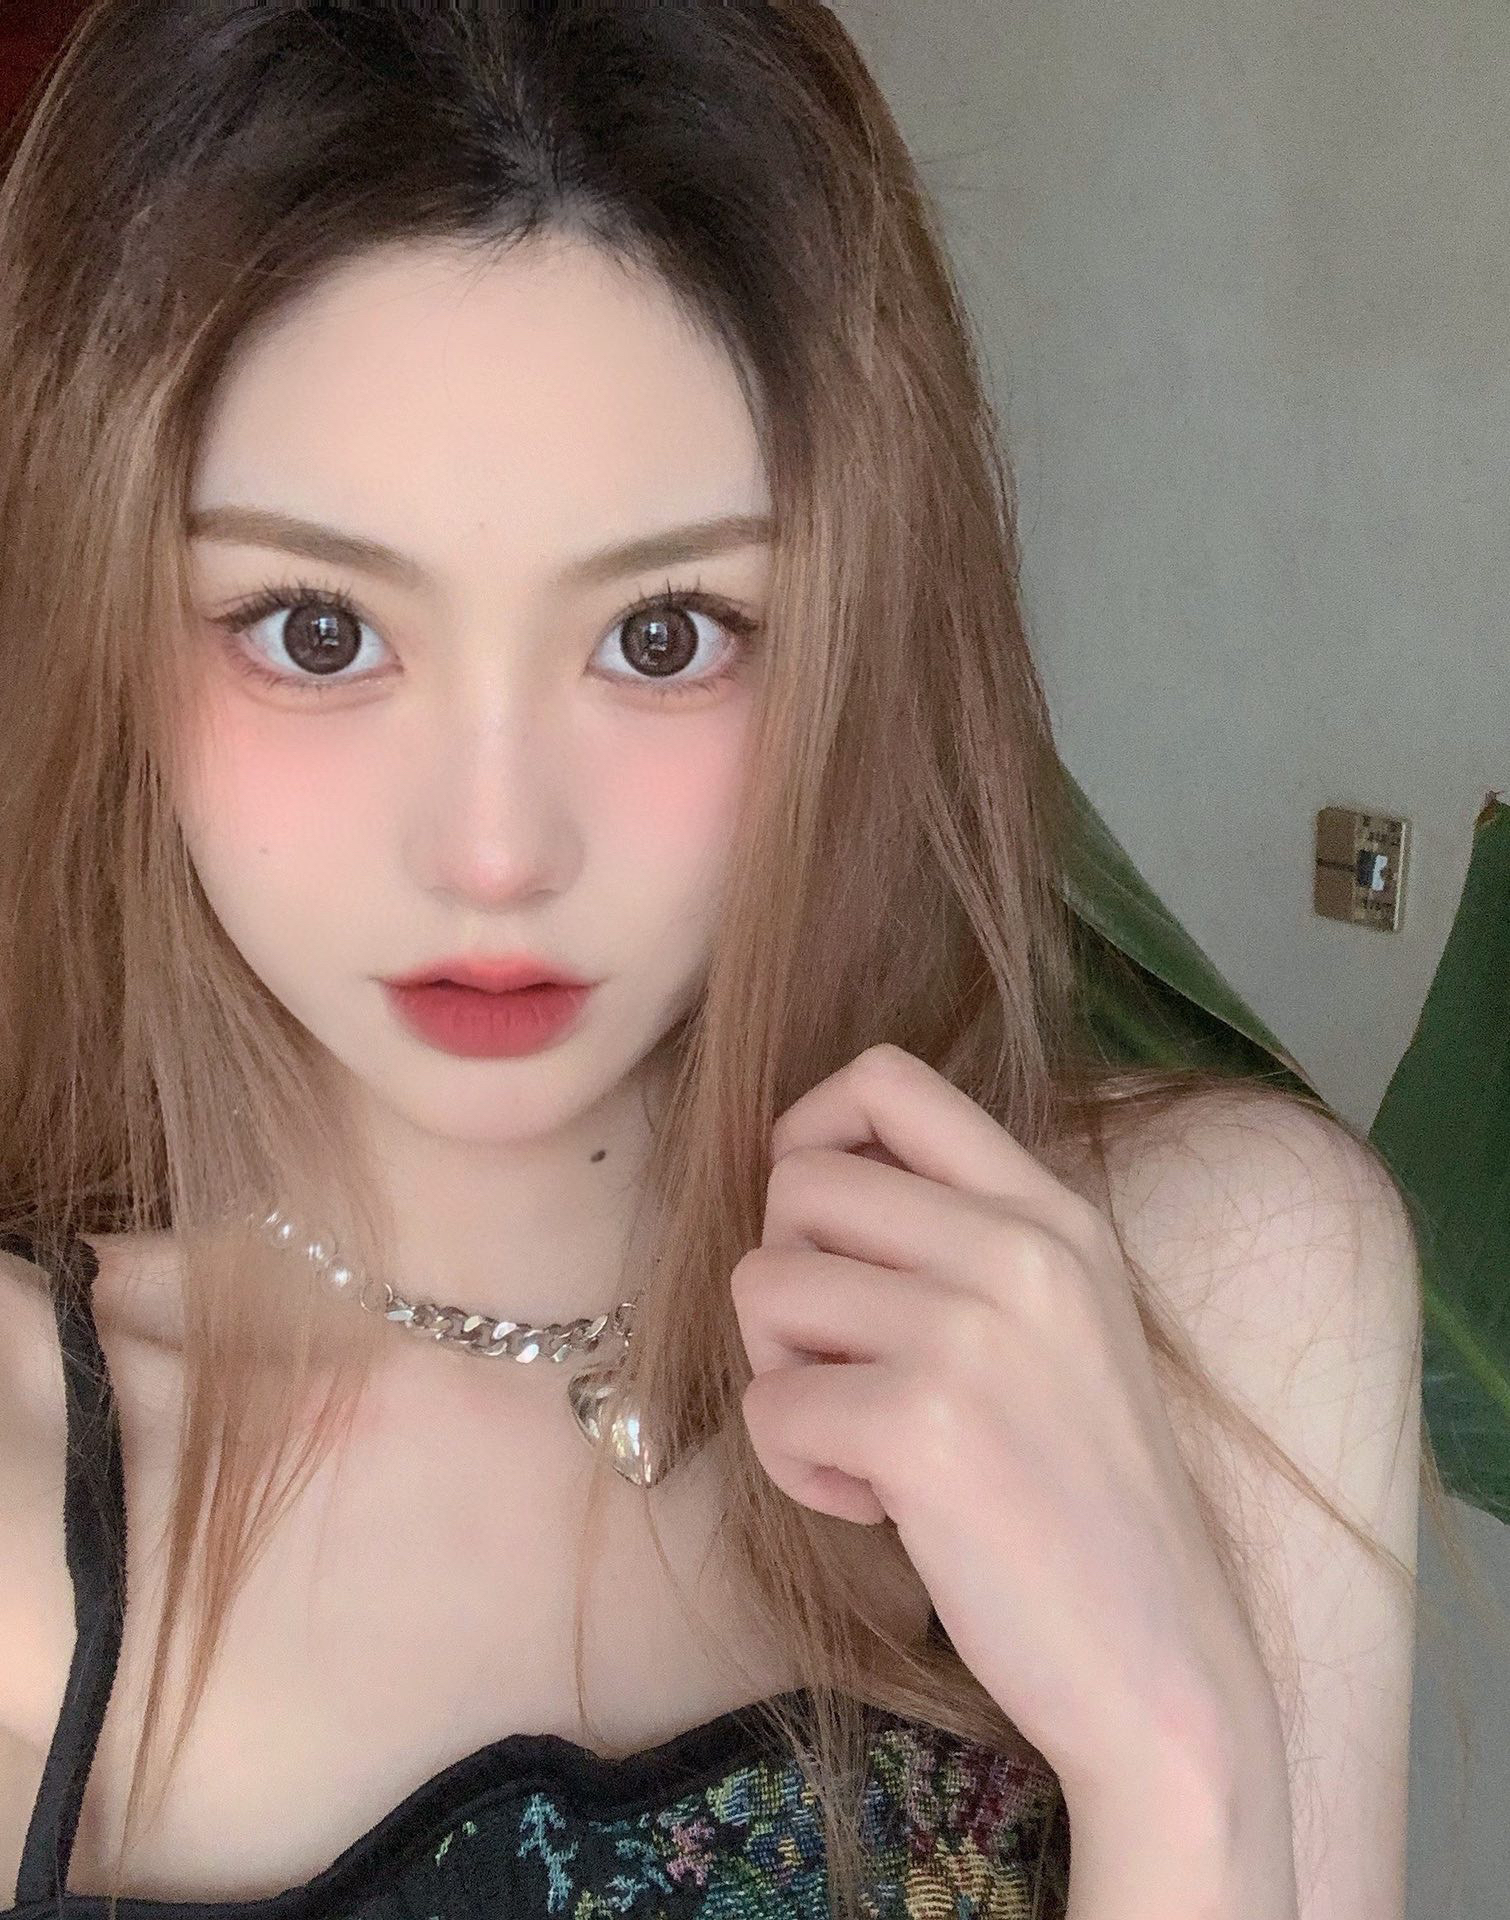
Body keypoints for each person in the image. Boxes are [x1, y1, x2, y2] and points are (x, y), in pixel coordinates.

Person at [0, 5, 1424, 1918]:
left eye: (664, 636)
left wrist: (1179, 1769)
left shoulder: (1207, 1289)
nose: (496, 850)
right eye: (315, 632)